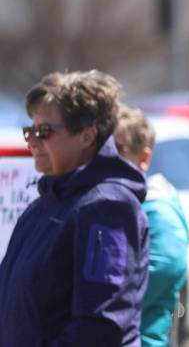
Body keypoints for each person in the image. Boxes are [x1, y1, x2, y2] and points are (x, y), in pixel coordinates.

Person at [0, 70, 149, 347]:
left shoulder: (108, 207)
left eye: (44, 131)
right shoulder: (42, 206)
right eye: (29, 131)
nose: (32, 141)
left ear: (87, 136)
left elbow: (101, 327)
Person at [115, 105, 189, 347]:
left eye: (118, 149)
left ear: (144, 158)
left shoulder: (159, 211)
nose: (107, 157)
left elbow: (164, 268)